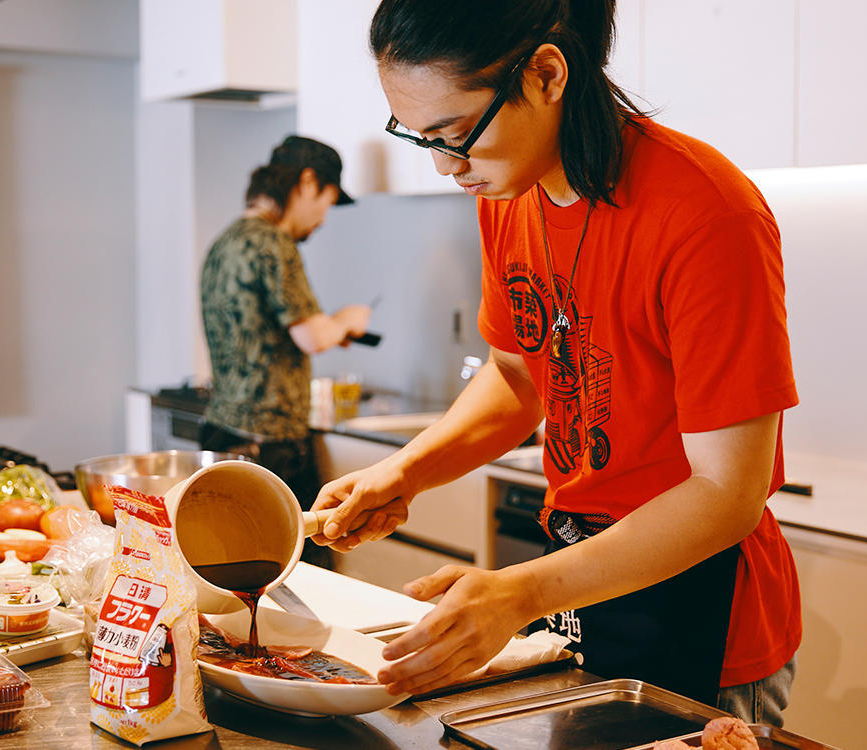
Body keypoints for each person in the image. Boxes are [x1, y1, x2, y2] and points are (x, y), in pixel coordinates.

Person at [312, 0, 803, 724]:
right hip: (582, 590)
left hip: (705, 612)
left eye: (454, 135)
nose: (448, 167)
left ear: (545, 74)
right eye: (422, 139)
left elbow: (728, 492)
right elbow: (517, 378)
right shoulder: (507, 194)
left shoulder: (705, 212)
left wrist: (524, 591)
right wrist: (405, 471)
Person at [200, 135, 371, 569]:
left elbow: (262, 327)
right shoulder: (275, 243)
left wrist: (329, 327)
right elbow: (312, 337)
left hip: (222, 431)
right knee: (299, 570)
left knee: (233, 565)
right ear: (308, 182)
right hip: (271, 445)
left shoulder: (226, 242)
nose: (323, 219)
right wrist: (348, 320)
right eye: (328, 202)